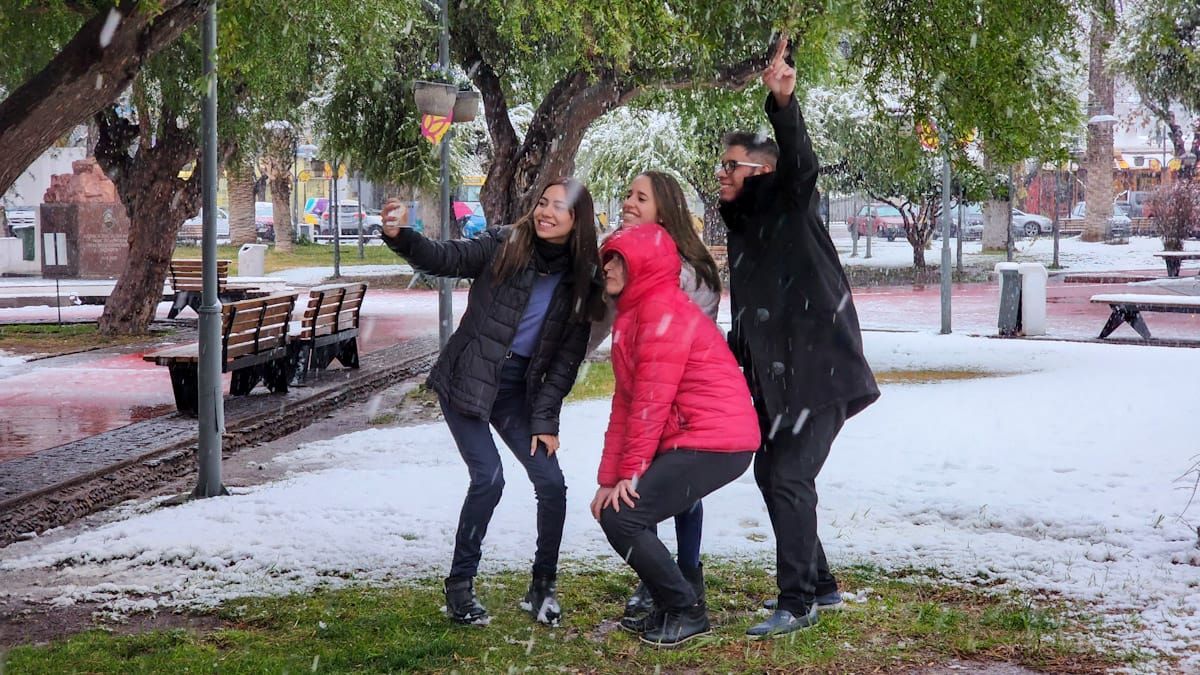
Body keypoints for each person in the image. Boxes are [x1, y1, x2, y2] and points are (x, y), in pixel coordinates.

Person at [379, 178, 606, 626]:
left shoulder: (581, 280)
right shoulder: (505, 244)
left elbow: (565, 361)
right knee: (489, 478)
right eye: (542, 202)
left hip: (516, 393)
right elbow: (445, 258)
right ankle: (459, 587)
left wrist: (545, 421)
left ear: (577, 220)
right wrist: (403, 236)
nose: (546, 212)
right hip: (467, 378)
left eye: (558, 207)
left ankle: (542, 587)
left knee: (552, 483)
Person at [718, 36, 879, 638]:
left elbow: (801, 165)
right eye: (722, 164)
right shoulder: (747, 230)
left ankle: (798, 601)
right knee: (774, 473)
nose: (722, 173)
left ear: (763, 171)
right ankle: (822, 584)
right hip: (780, 381)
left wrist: (783, 104)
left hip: (819, 374)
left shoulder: (789, 203)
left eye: (732, 165)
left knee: (787, 475)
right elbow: (753, 319)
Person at [591, 222, 760, 648]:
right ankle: (674, 603)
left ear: (643, 266)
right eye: (607, 258)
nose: (607, 267)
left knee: (623, 517)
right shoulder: (634, 315)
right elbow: (625, 405)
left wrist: (630, 473)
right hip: (698, 438)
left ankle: (686, 609)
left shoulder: (660, 312)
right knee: (617, 511)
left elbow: (651, 402)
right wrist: (609, 479)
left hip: (716, 441)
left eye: (618, 260)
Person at [588, 171, 723, 633]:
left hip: (681, 398)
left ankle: (685, 576)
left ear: (664, 210)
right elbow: (606, 319)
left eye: (640, 198)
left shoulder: (688, 269)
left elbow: (682, 335)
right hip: (649, 390)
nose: (628, 202)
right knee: (645, 486)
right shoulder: (623, 254)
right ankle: (663, 580)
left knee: (674, 490)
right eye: (628, 194)